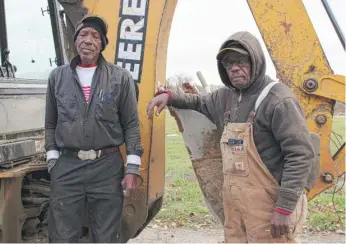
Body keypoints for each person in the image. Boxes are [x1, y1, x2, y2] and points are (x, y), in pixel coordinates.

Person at [147, 31, 314, 243]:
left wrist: (285, 207)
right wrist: (170, 97)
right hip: (234, 208)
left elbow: (300, 155)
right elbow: (198, 102)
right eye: (228, 63)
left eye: (241, 61)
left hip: (271, 207)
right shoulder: (225, 97)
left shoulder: (278, 100)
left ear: (256, 60)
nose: (234, 67)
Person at [44, 15, 143, 243]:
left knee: (107, 236)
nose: (88, 40)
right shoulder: (57, 78)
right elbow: (50, 122)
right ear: (75, 41)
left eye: (95, 36)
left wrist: (132, 168)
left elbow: (131, 124)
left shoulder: (120, 78)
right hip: (67, 166)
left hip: (107, 168)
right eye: (83, 34)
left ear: (102, 44)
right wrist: (53, 159)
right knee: (61, 235)